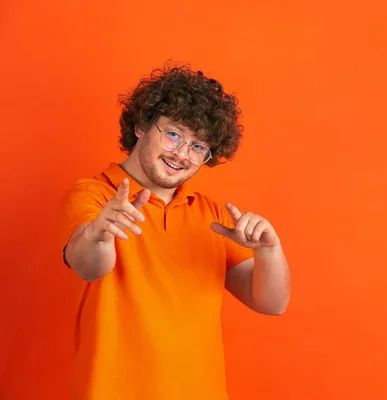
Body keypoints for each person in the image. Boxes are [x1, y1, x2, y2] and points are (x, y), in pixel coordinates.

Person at [57, 63, 291, 400]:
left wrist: (270, 250)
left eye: (198, 147)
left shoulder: (211, 215)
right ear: (141, 125)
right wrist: (99, 234)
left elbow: (271, 303)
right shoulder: (92, 196)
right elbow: (90, 265)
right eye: (174, 134)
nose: (182, 154)